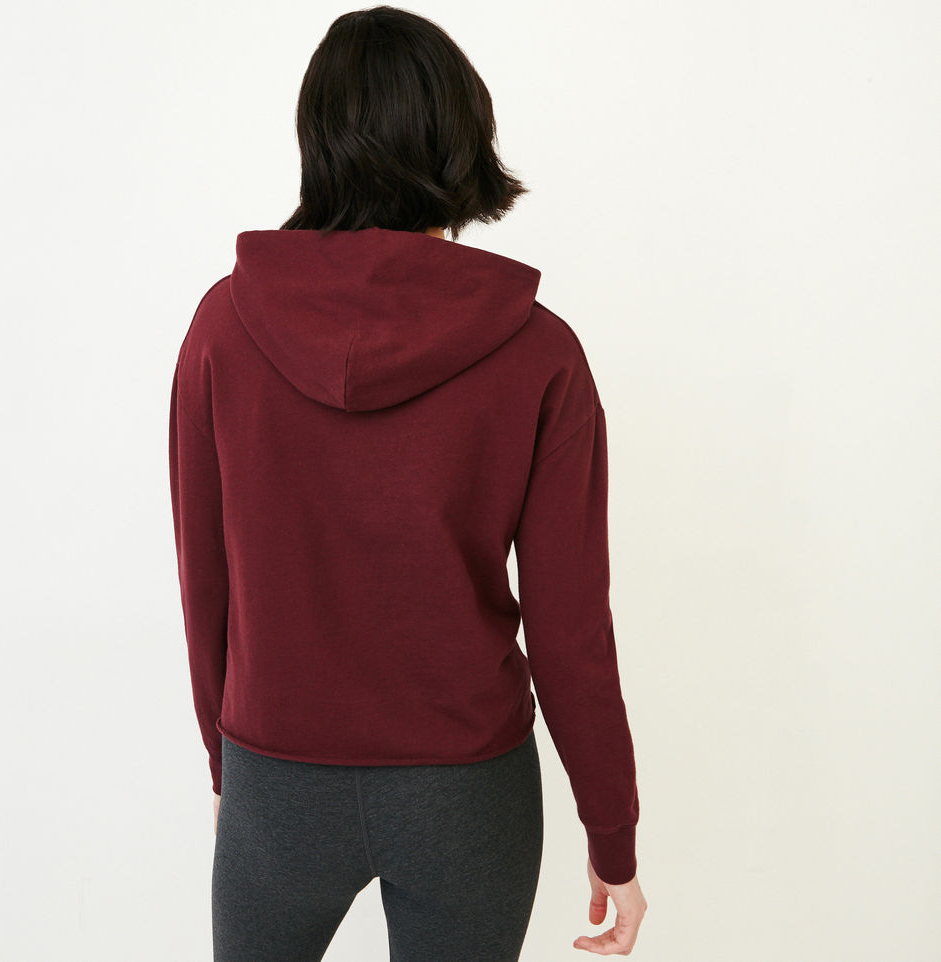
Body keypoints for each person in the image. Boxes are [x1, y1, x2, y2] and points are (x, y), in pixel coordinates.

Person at [168, 5, 647, 960]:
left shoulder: (223, 328)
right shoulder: (539, 353)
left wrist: (232, 769)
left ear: (320, 141)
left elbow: (203, 578)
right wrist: (613, 837)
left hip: (278, 778)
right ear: (461, 138)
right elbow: (571, 627)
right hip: (465, 790)